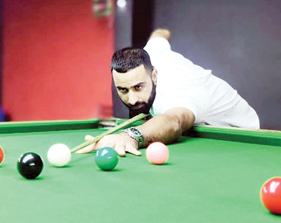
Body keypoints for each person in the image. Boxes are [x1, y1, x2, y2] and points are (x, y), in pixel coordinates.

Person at [79, 28, 260, 156]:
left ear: (154, 75)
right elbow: (160, 34)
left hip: (241, 138)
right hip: (197, 132)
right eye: (123, 90)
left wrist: (130, 136)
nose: (132, 100)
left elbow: (174, 121)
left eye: (138, 87)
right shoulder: (152, 53)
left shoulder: (178, 90)